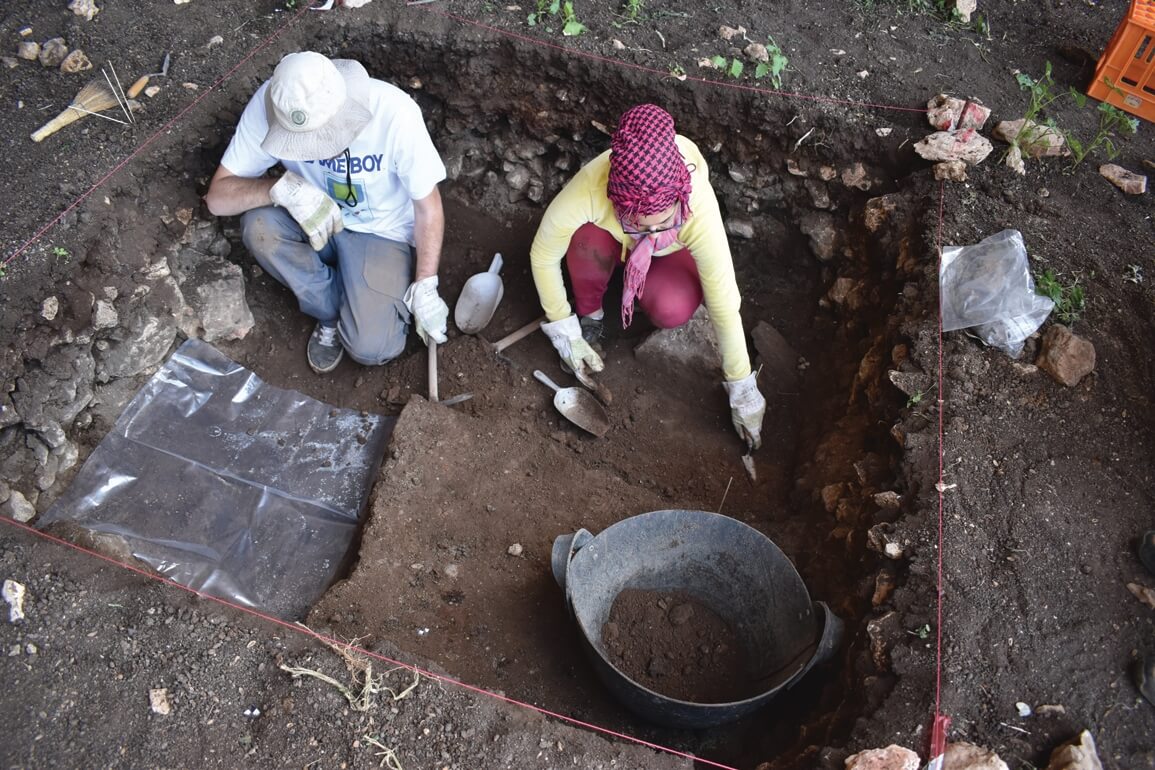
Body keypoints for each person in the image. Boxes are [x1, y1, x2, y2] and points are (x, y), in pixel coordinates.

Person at [528, 103, 766, 448]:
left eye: (664, 222)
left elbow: (724, 300)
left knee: (672, 308)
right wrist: (564, 329)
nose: (653, 233)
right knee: (584, 242)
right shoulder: (592, 188)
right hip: (611, 244)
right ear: (619, 205)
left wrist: (742, 385)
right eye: (641, 224)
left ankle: (641, 293)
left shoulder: (695, 201)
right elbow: (543, 254)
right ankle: (591, 314)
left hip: (670, 258)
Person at [204, 51, 449, 374]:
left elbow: (427, 205)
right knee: (259, 226)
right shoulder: (275, 105)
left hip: (379, 231)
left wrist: (426, 283)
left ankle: (357, 299)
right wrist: (280, 189)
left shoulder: (394, 113)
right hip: (311, 215)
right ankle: (329, 311)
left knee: (372, 348)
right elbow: (217, 199)